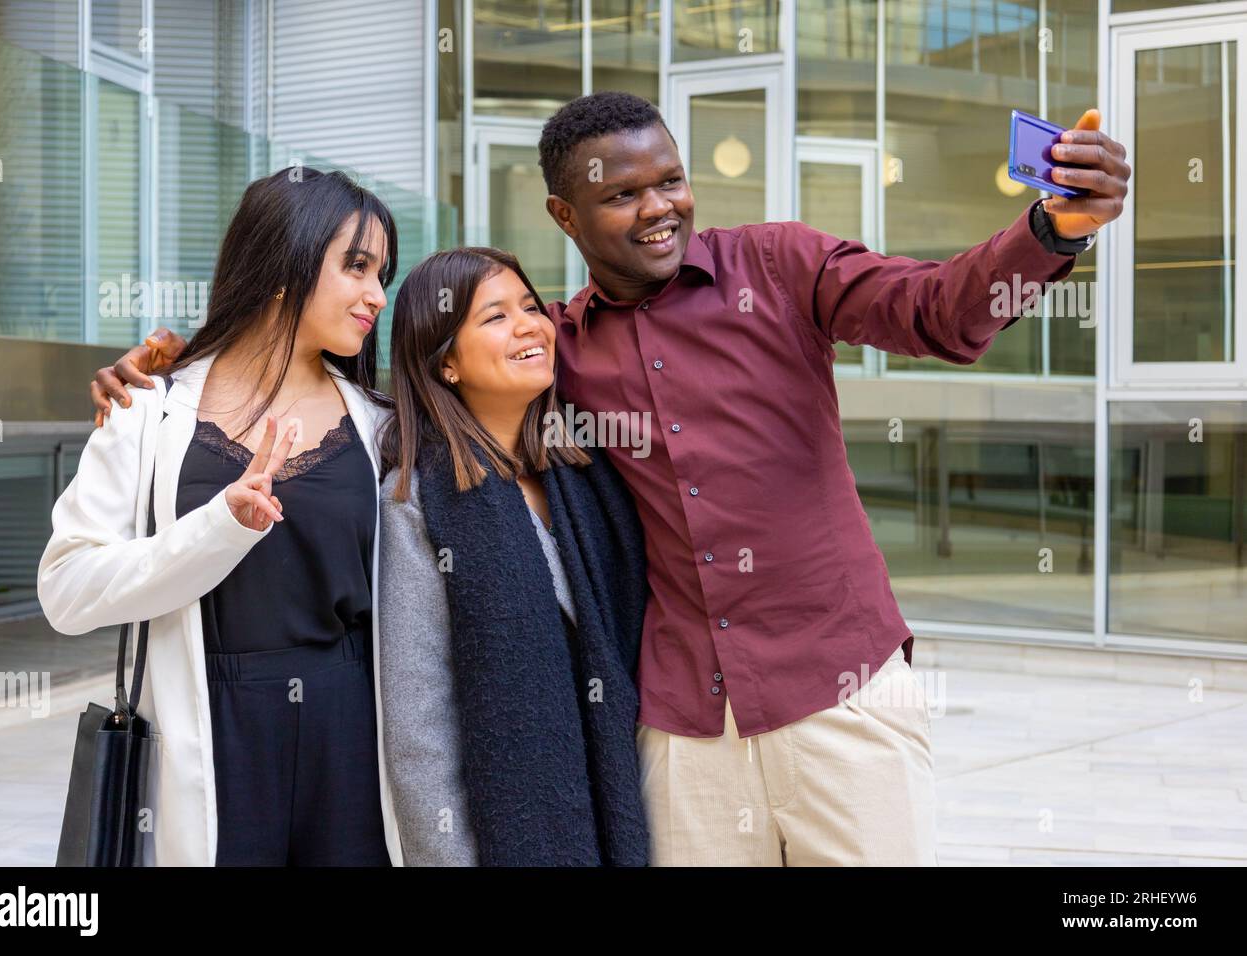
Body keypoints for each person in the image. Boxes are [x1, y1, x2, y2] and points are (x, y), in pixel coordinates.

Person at [88, 91, 1131, 866]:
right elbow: (425, 390)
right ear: (565, 213)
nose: (657, 208)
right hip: (686, 726)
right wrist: (171, 380)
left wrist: (1048, 233)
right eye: (621, 194)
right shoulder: (560, 351)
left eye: (667, 180)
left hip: (836, 691)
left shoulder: (778, 265)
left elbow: (937, 309)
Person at [40, 167, 404, 866]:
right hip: (209, 730)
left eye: (381, 273)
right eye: (356, 267)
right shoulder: (147, 410)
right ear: (280, 263)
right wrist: (220, 527)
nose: (376, 296)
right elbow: (66, 588)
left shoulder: (381, 427)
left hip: (353, 731)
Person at [374, 246, 649, 866]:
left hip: (619, 813)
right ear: (446, 362)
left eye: (530, 306)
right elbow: (419, 723)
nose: (530, 325)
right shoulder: (417, 501)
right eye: (495, 317)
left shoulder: (585, 473)